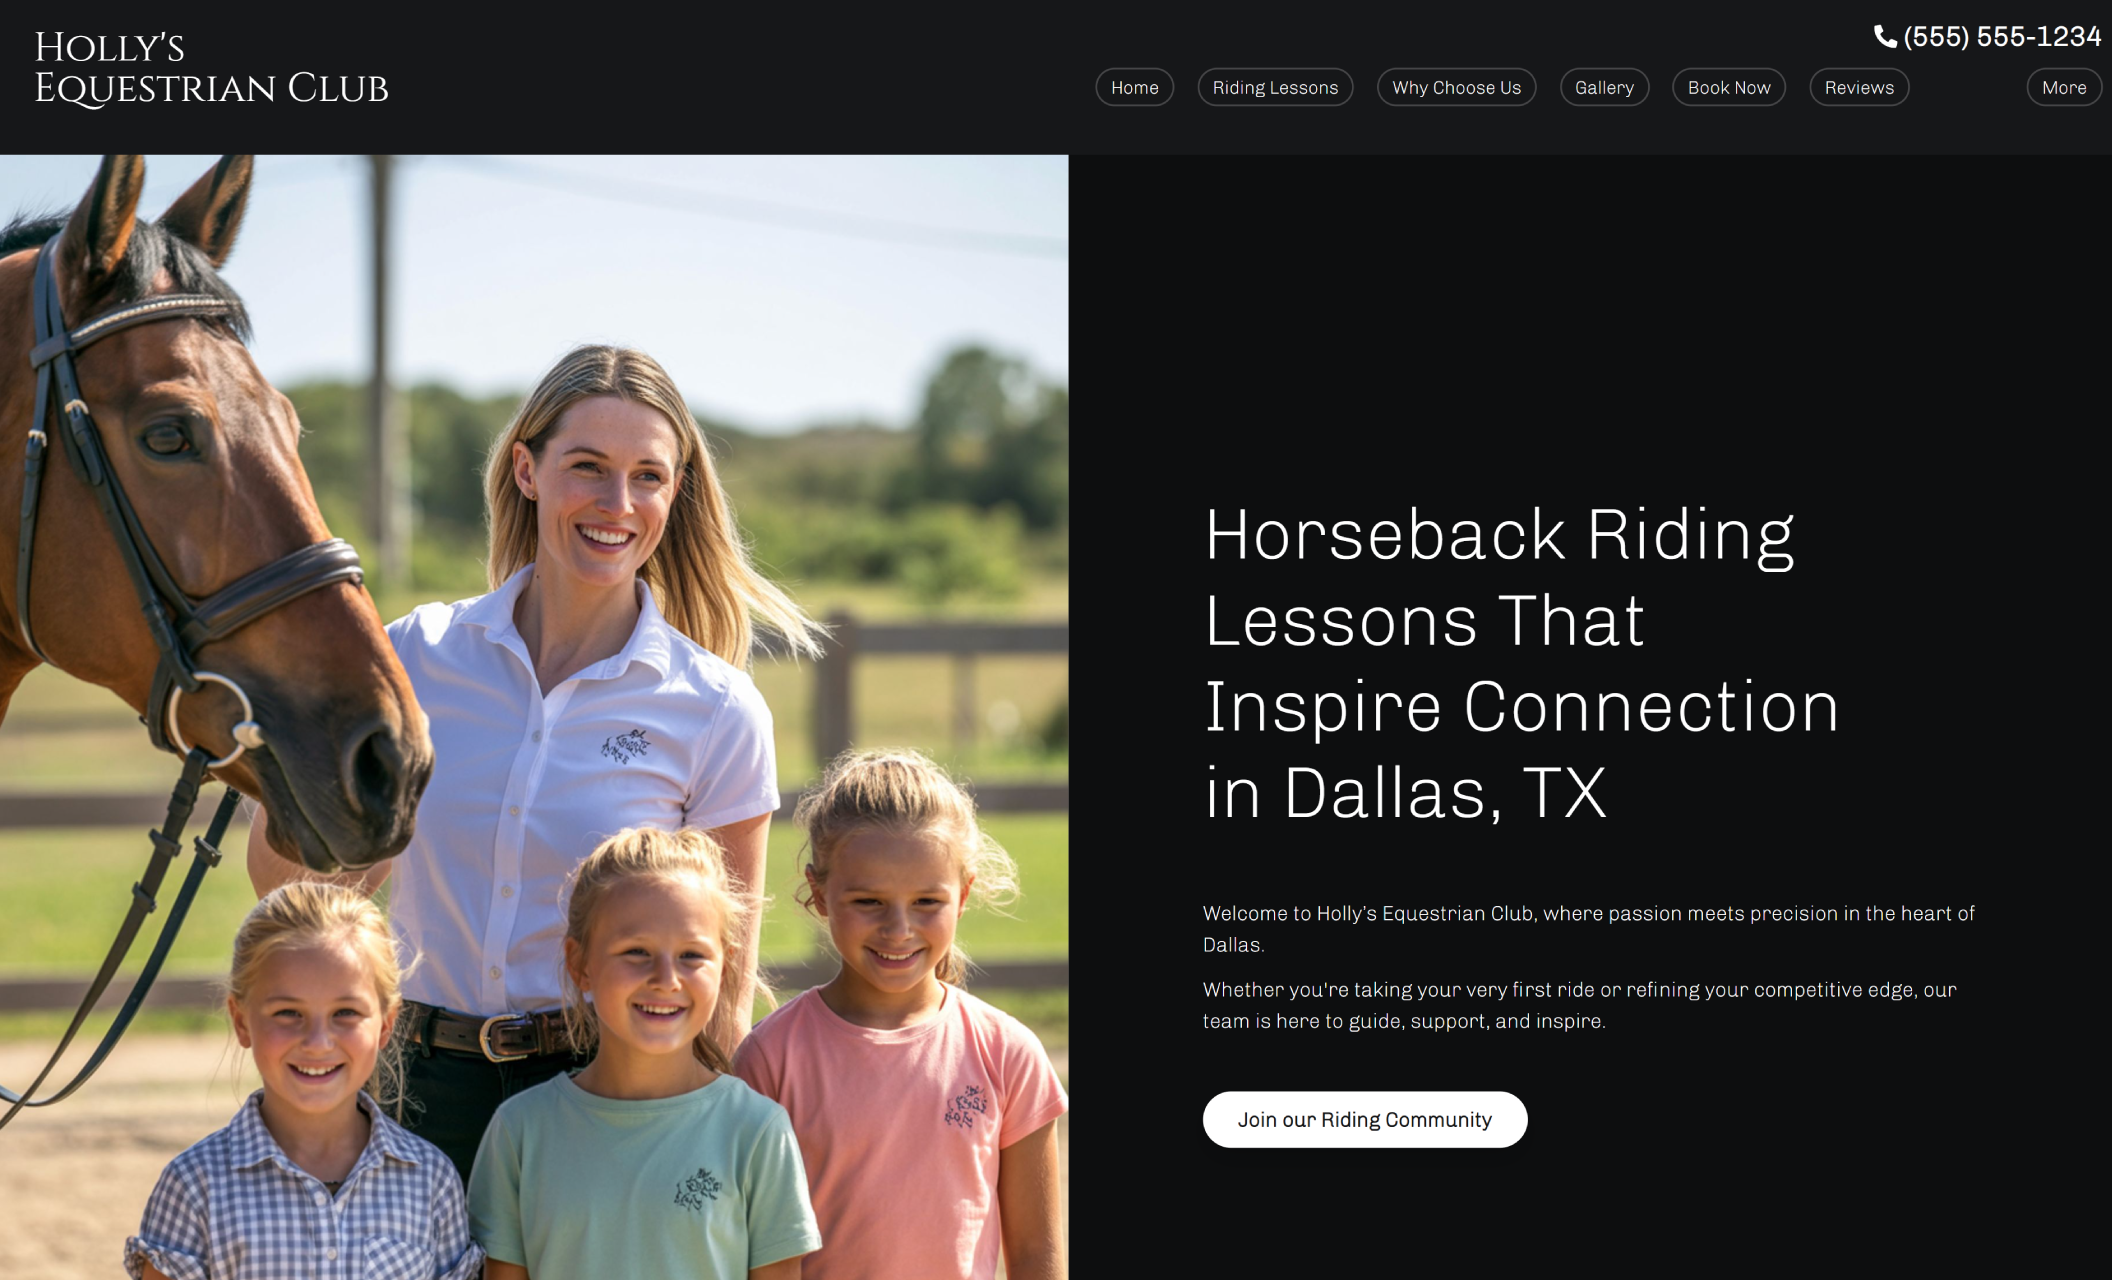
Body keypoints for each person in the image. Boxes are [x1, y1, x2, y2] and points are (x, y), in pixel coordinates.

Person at [248, 344, 826, 1182]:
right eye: (587, 467)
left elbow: (722, 987)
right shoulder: (415, 657)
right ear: (527, 468)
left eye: (648, 477)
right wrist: (297, 770)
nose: (617, 503)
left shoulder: (717, 710)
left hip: (602, 1095)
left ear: (675, 491)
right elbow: (288, 886)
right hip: (407, 1087)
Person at [733, 749, 1068, 1280]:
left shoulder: (1009, 1055)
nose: (898, 929)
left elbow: (1036, 1256)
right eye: (868, 902)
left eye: (926, 903)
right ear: (819, 892)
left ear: (963, 895)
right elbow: (759, 1258)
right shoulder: (769, 1060)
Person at [468, 826, 820, 1279]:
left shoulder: (757, 1132)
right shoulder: (519, 1133)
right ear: (580, 964)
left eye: (692, 955)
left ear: (725, 965)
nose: (666, 978)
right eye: (636, 951)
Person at [126, 883, 482, 1280]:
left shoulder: (431, 1180)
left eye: (345, 1012)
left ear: (386, 1023)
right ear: (241, 1021)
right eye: (288, 1013)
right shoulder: (194, 1187)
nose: (317, 1043)